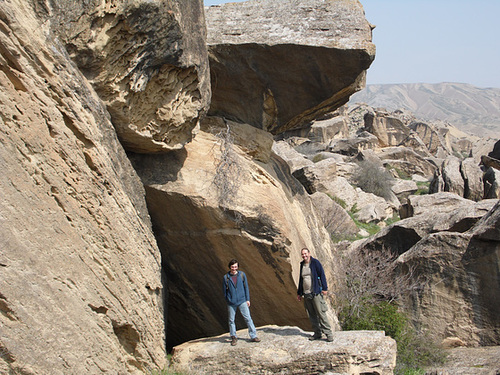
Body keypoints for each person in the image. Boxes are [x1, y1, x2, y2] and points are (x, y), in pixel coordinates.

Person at [297, 248, 334, 342]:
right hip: (306, 293)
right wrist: (299, 293)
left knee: (321, 313)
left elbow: (322, 275)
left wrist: (325, 288)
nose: (304, 255)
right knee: (311, 315)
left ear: (309, 253)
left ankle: (328, 334)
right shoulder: (302, 264)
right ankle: (317, 333)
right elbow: (301, 280)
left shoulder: (315, 263)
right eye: (302, 254)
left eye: (305, 253)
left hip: (315, 292)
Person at [223, 259, 261, 346]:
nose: (234, 268)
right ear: (230, 267)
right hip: (231, 302)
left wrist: (248, 299)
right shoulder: (226, 278)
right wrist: (228, 299)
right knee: (231, 320)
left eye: (235, 266)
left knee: (248, 318)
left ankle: (253, 336)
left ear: (237, 267)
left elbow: (246, 287)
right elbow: (224, 291)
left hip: (242, 300)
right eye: (232, 266)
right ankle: (233, 337)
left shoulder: (242, 275)